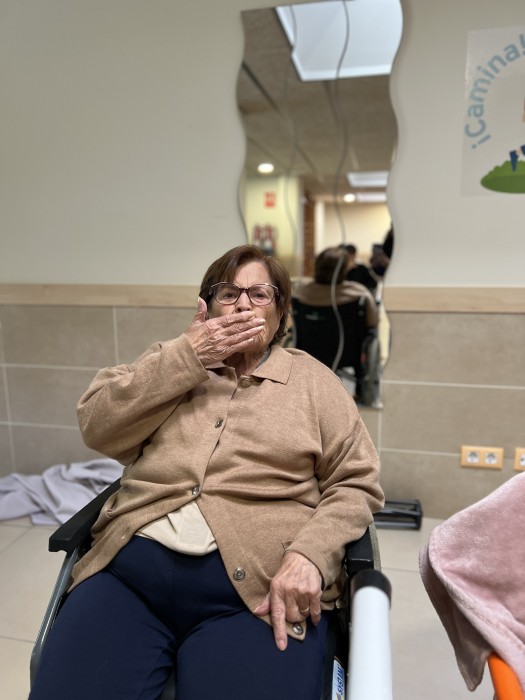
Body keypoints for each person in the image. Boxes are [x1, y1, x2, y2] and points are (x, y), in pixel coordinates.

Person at [29, 244, 384, 700]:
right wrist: (187, 357)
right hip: (129, 577)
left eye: (259, 294)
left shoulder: (313, 383)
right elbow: (97, 427)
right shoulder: (171, 361)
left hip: (257, 591)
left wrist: (311, 555)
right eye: (228, 293)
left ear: (281, 314)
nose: (242, 305)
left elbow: (356, 481)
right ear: (207, 307)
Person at [294, 247, 379, 329]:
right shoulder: (359, 293)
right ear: (344, 270)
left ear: (316, 266)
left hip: (307, 338)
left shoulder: (299, 291)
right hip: (348, 338)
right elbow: (372, 322)